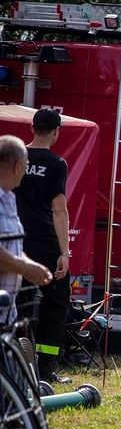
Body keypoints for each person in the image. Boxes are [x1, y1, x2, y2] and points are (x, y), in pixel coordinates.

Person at [13, 110, 72, 384]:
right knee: (56, 305)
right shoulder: (56, 164)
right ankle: (45, 369)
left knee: (18, 305)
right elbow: (59, 210)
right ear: (56, 132)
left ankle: (16, 363)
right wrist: (64, 253)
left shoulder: (14, 158)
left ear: (33, 128)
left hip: (14, 242)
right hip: (45, 245)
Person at [0, 135, 53, 327]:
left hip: (7, 314)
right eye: (26, 165)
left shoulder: (9, 199)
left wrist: (32, 266)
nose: (26, 170)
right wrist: (24, 268)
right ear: (17, 166)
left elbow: (10, 245)